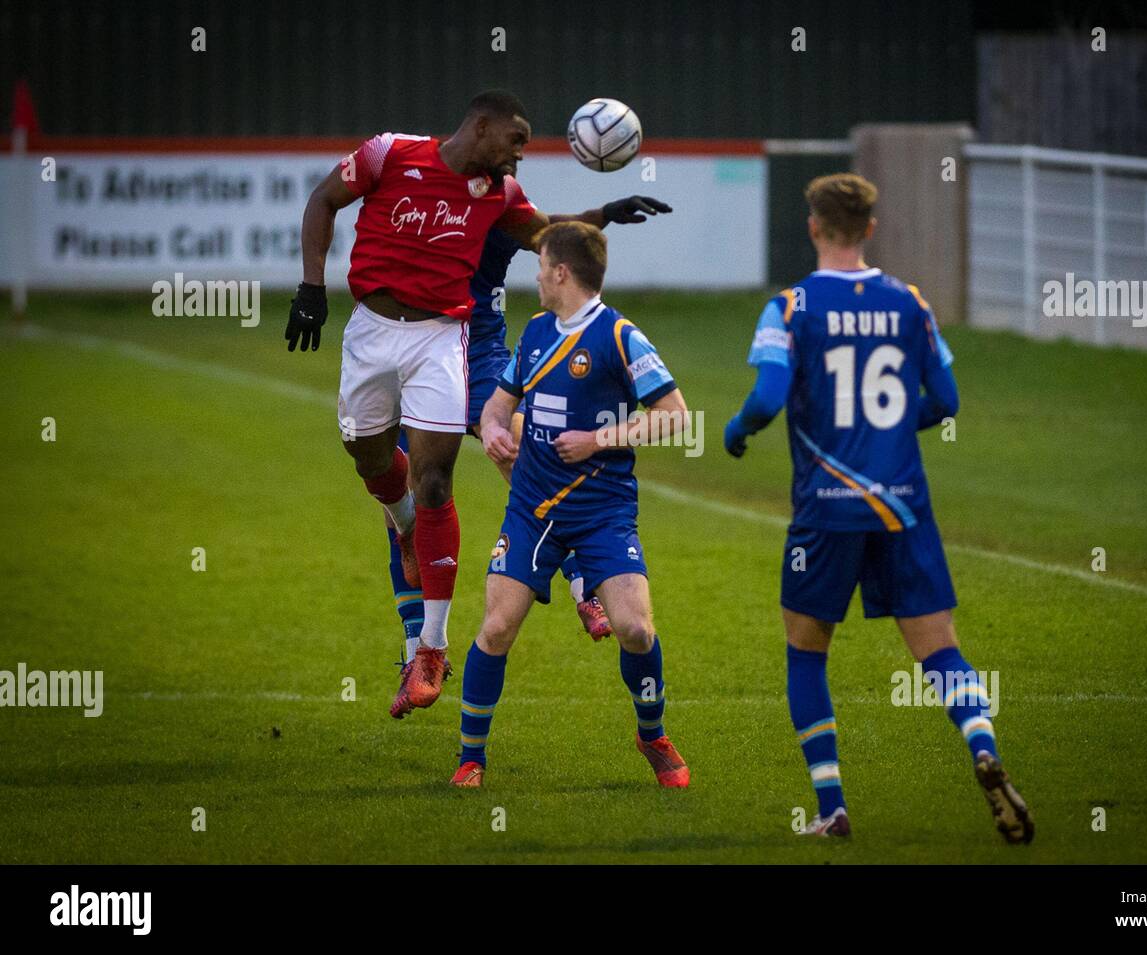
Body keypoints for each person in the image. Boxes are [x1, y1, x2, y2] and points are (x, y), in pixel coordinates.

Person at [285, 90, 668, 718]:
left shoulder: (500, 196)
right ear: (482, 127)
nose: (521, 154)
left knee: (494, 456)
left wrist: (605, 213)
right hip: (374, 335)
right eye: (516, 140)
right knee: (379, 468)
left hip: (460, 343)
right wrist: (310, 286)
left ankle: (546, 595)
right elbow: (325, 198)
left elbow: (551, 234)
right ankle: (410, 566)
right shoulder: (393, 155)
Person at [723, 173, 1034, 842]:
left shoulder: (791, 306)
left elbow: (769, 396)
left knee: (806, 652)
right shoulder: (909, 303)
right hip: (904, 508)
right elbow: (947, 399)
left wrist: (740, 429)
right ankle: (980, 738)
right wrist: (893, 430)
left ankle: (832, 806)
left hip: (825, 512)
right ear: (870, 228)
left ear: (812, 226)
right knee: (939, 649)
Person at [450, 222, 690, 789]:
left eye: (540, 267)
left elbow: (676, 414)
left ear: (562, 272)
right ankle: (470, 758)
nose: (534, 277)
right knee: (497, 627)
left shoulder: (621, 336)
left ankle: (651, 734)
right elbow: (499, 402)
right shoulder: (534, 332)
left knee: (635, 629)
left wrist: (598, 440)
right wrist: (490, 430)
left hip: (604, 512)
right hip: (532, 509)